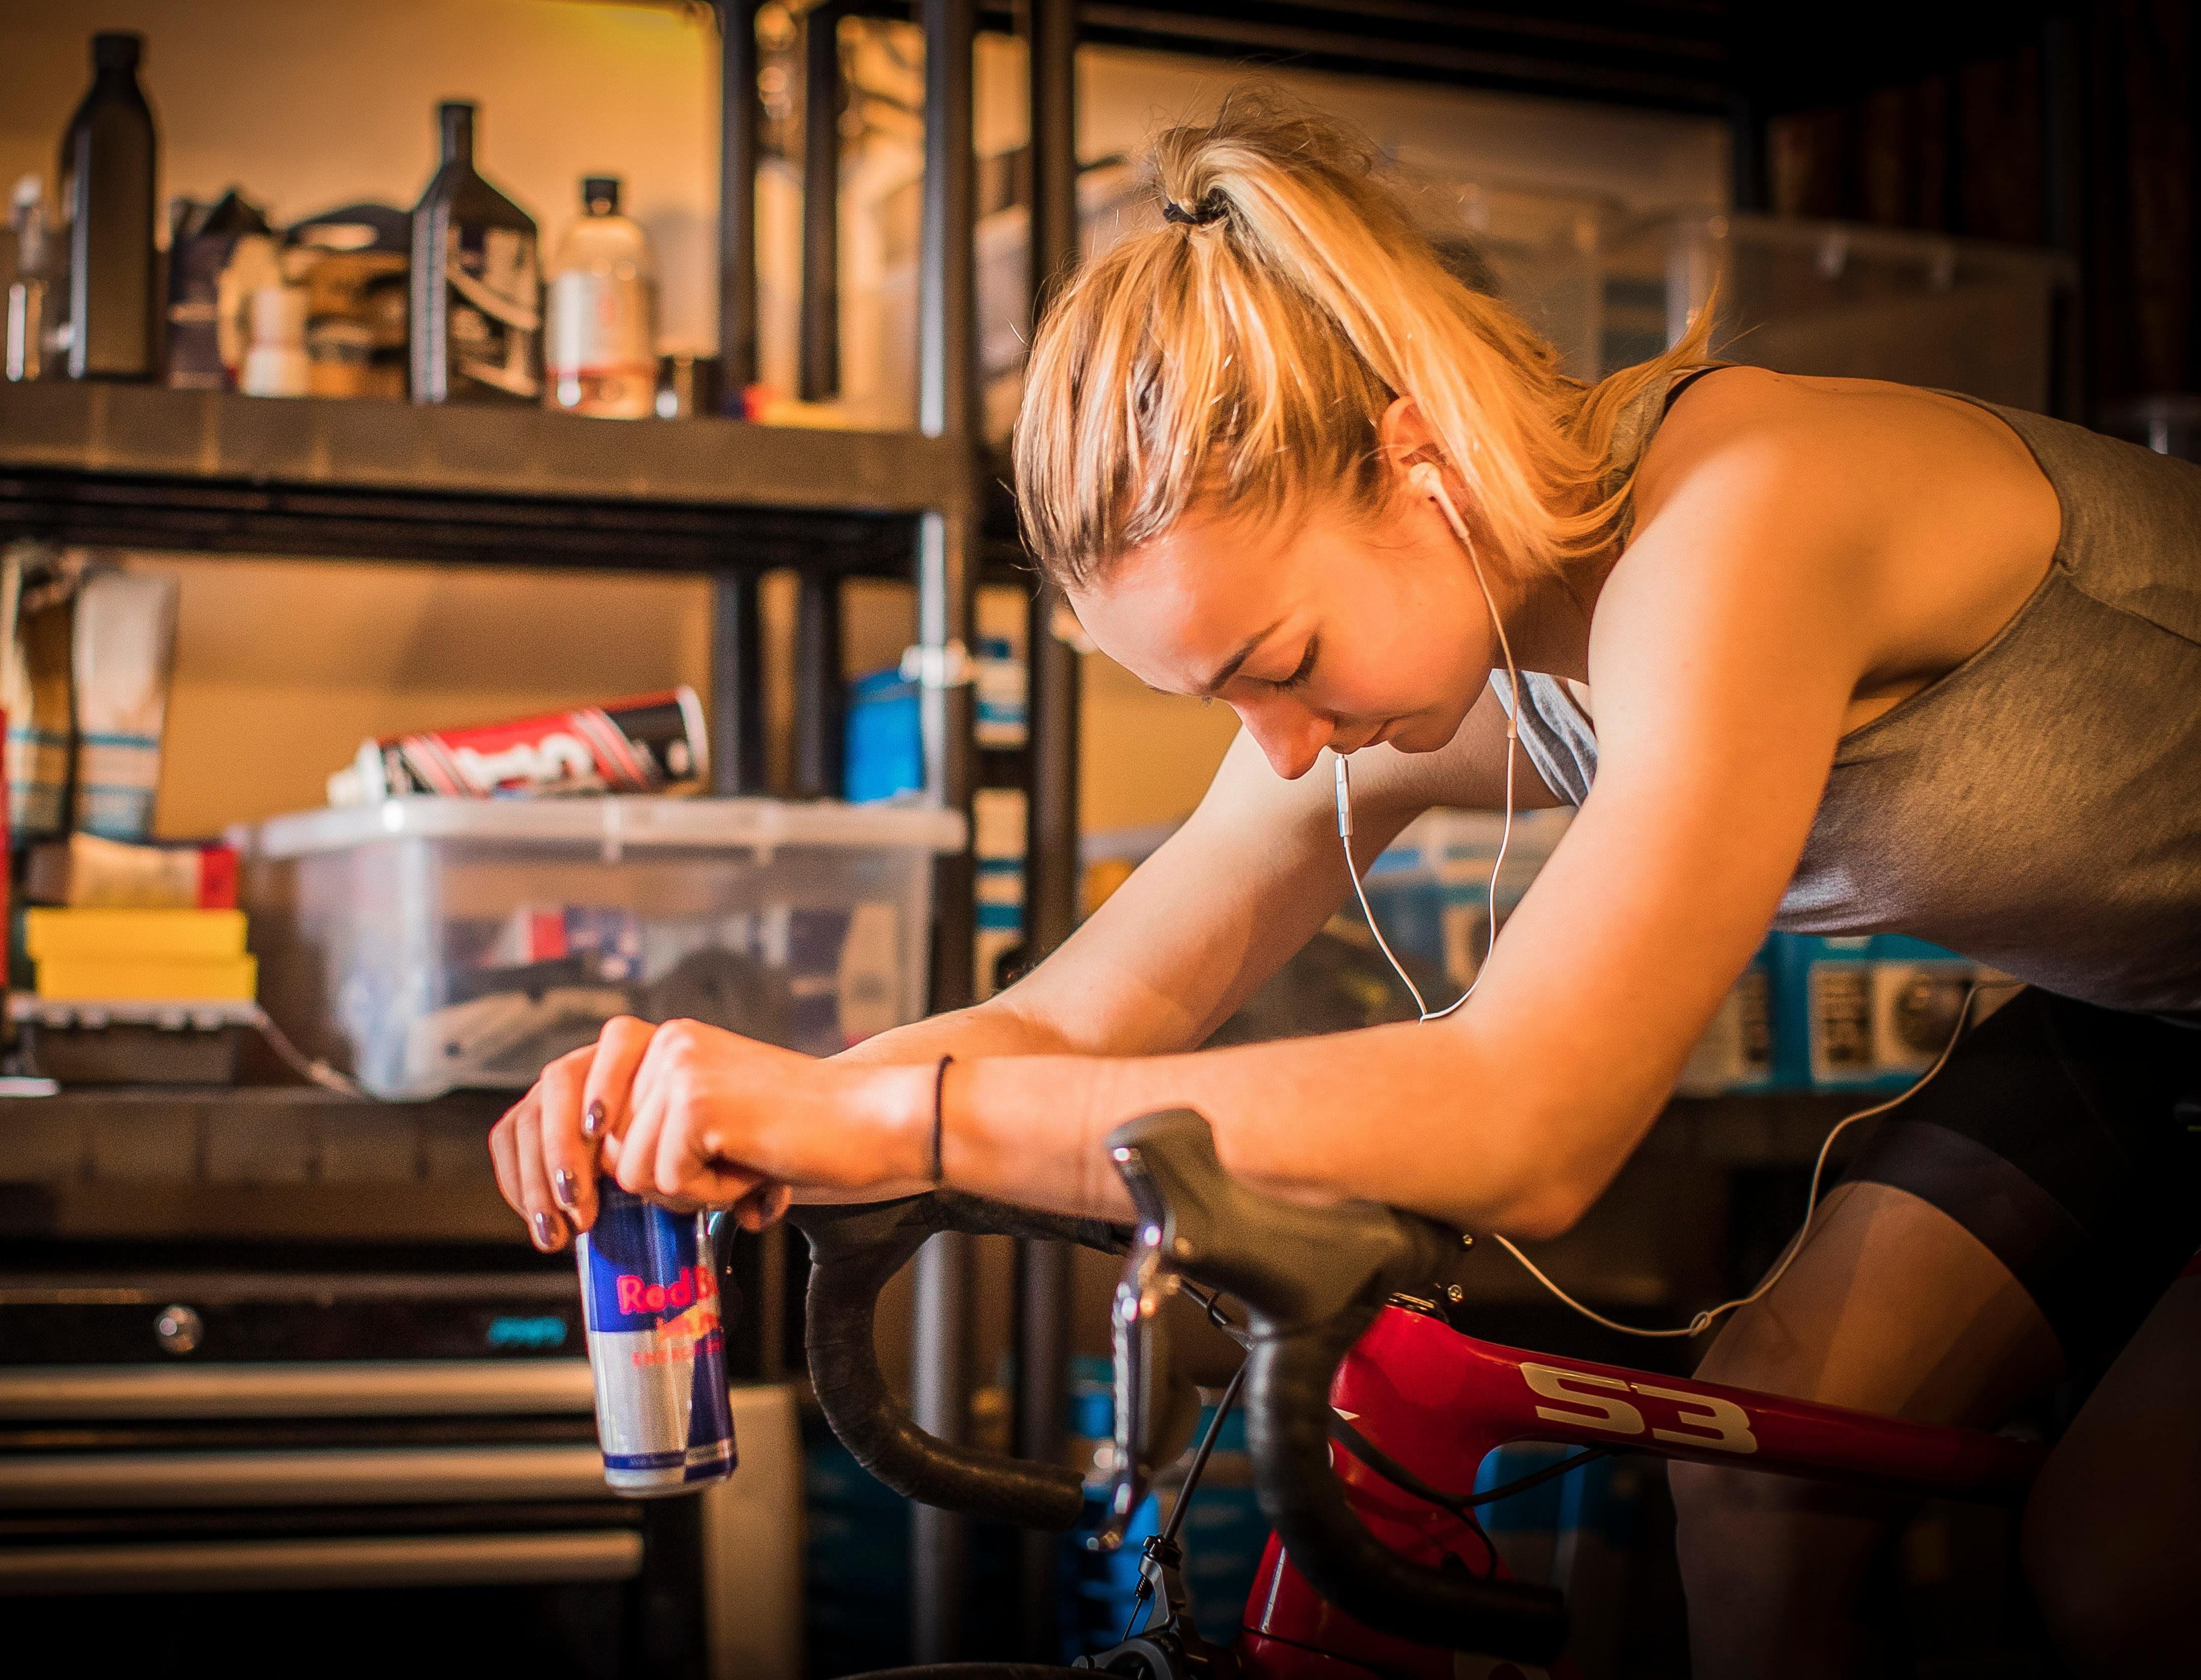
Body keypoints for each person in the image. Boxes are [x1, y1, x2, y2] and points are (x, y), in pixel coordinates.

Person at [490, 97, 2200, 1674]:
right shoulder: (1456, 619)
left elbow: (1533, 1118)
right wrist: (734, 1097)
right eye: (1226, 700)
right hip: (2142, 1007)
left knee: (2119, 1565)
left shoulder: (1739, 525)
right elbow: (1070, 1019)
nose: (1287, 751)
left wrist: (899, 1125)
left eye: (1284, 663)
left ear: (1418, 460)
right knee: (1760, 1478)